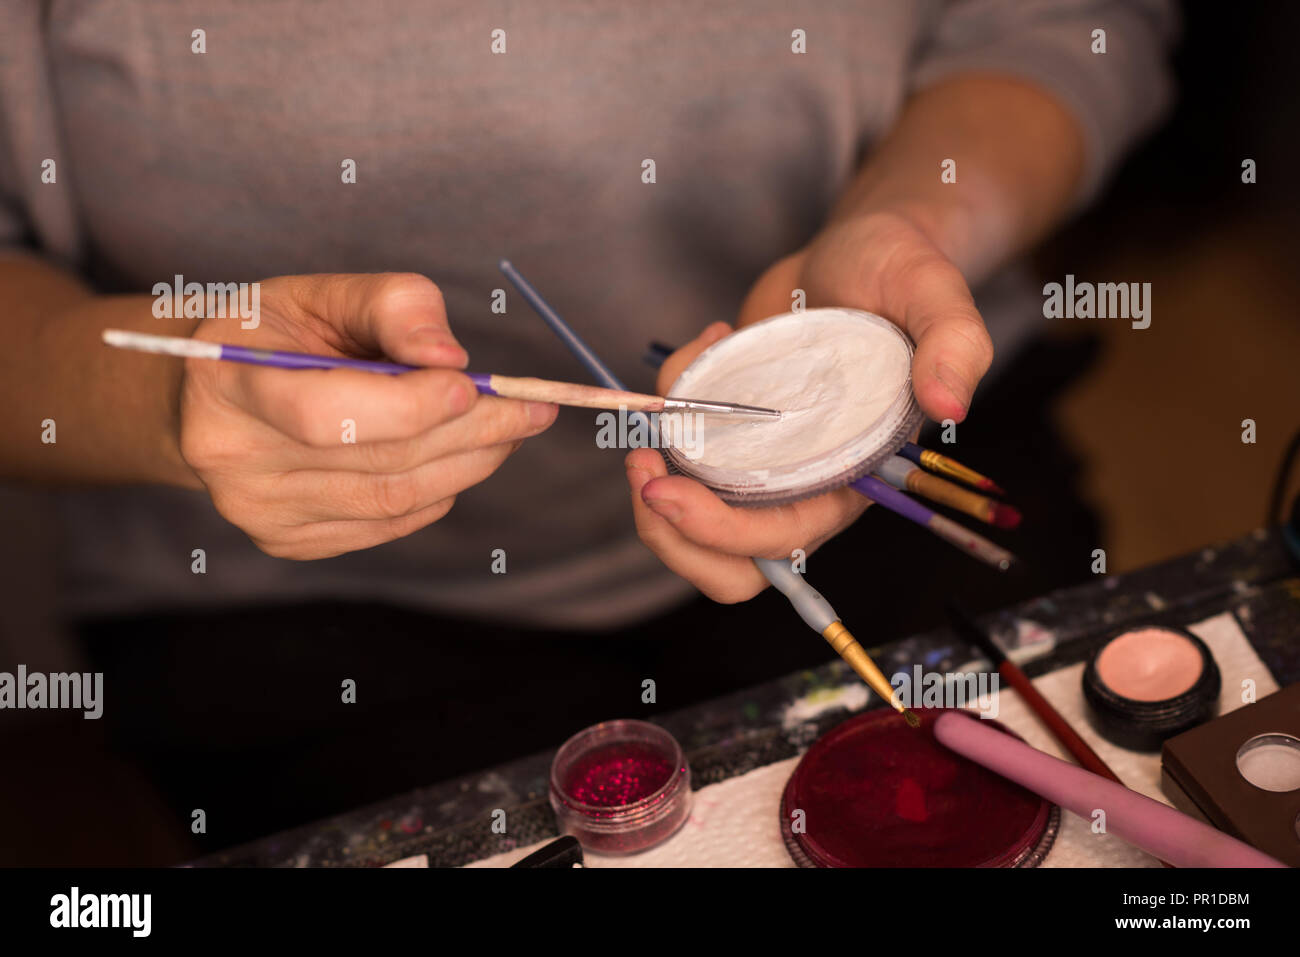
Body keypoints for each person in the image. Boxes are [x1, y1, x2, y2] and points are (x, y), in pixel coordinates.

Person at [0, 2, 1174, 856]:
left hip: (893, 453)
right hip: (297, 598)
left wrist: (913, 221)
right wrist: (169, 400)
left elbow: (1059, 24)